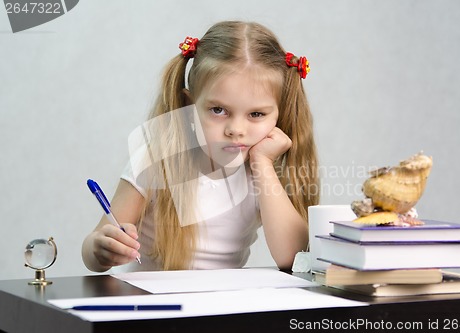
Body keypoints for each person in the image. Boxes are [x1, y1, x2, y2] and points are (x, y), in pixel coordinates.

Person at [81, 21, 319, 273]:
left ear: (278, 116)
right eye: (218, 110)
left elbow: (294, 258)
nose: (236, 129)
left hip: (220, 305)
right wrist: (101, 248)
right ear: (189, 106)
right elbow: (92, 250)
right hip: (149, 303)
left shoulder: (267, 172)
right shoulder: (156, 161)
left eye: (257, 114)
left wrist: (262, 164)